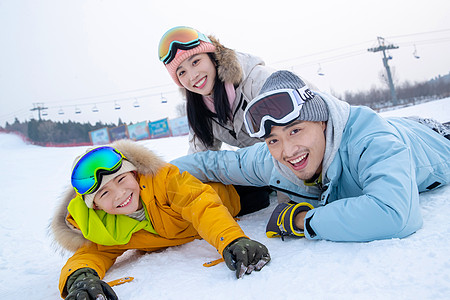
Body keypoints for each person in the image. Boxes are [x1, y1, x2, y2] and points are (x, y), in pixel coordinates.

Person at [171, 70, 450, 243]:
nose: (288, 151)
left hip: (434, 137)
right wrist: (145, 171)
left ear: (322, 122)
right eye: (273, 140)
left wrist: (301, 220)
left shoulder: (372, 140)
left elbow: (395, 215)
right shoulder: (273, 159)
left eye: (296, 131)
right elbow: (214, 164)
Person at [50, 140, 270, 300]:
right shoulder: (106, 227)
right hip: (233, 205)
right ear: (95, 205)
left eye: (121, 179)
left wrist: (232, 240)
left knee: (270, 182)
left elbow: (200, 205)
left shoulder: (163, 181)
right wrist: (79, 278)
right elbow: (90, 253)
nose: (119, 194)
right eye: (104, 193)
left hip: (234, 191)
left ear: (135, 174)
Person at [158, 25, 280, 210]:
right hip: (263, 172)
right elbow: (200, 158)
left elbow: (298, 135)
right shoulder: (200, 108)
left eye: (195, 62)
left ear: (212, 57)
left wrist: (289, 203)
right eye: (181, 72)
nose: (193, 76)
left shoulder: (257, 81)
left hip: (300, 163)